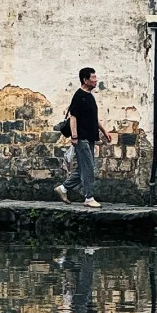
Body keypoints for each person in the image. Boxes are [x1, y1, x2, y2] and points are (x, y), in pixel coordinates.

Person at [55, 67, 112, 208]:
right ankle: (89, 197)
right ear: (85, 80)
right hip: (81, 138)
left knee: (83, 168)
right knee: (89, 168)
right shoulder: (79, 96)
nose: (96, 80)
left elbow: (94, 118)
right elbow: (73, 117)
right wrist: (74, 136)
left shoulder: (90, 96)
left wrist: (104, 131)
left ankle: (63, 188)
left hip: (90, 136)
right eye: (93, 78)